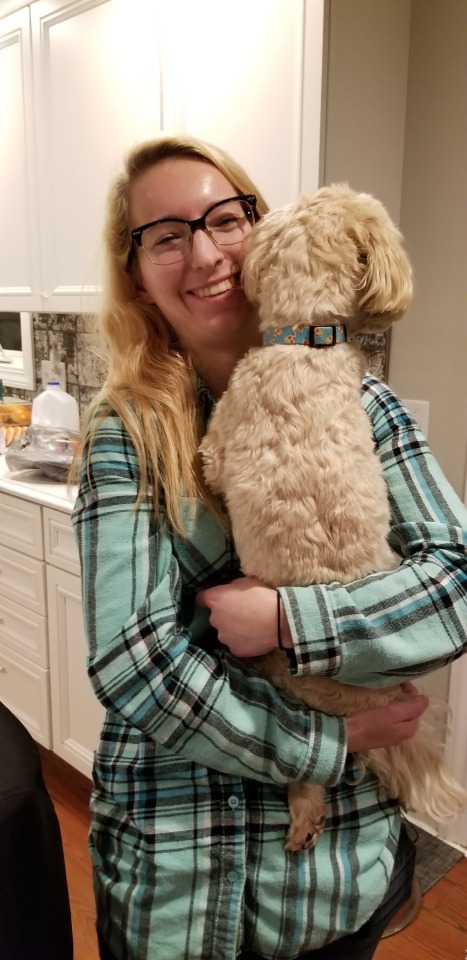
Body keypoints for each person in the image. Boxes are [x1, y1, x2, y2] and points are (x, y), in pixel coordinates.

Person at [72, 133, 467, 960]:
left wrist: (290, 619)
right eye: (167, 236)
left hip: (333, 873)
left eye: (224, 218)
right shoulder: (126, 438)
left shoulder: (368, 405)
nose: (206, 253)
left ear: (263, 227)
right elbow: (133, 659)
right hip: (181, 876)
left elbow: (456, 578)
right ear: (138, 276)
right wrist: (325, 742)